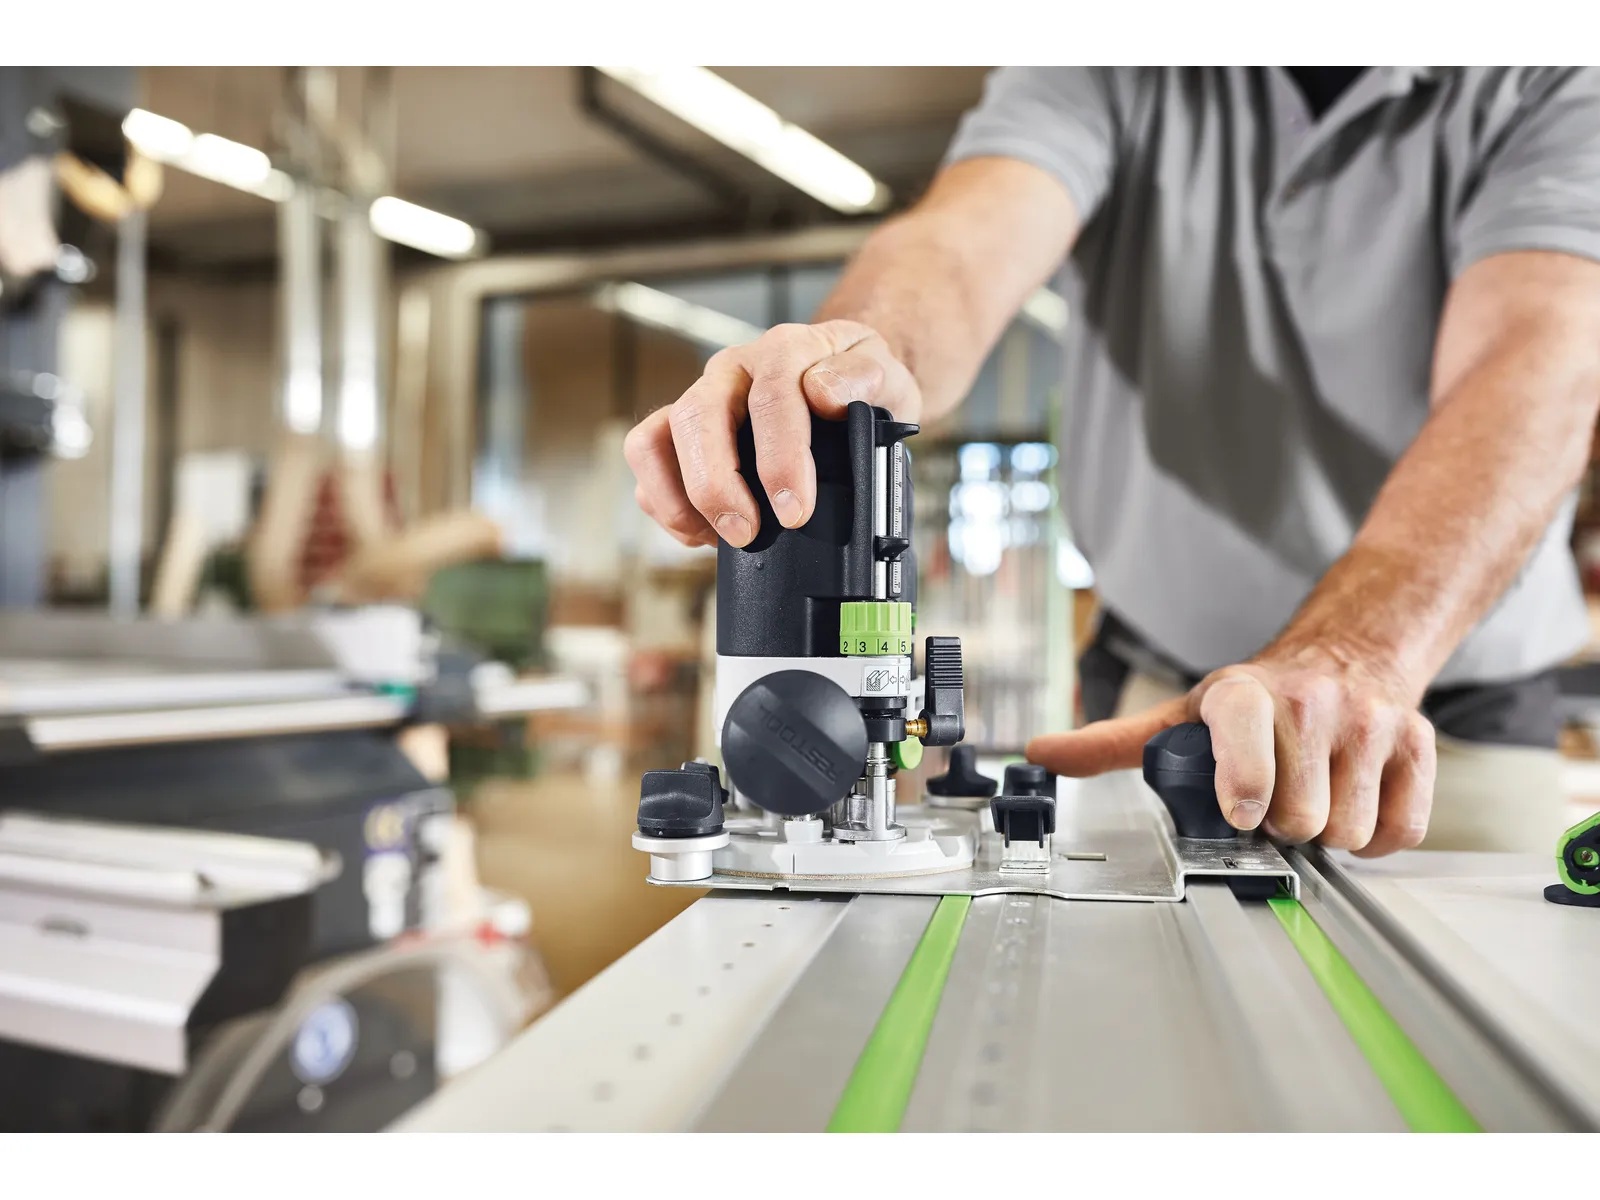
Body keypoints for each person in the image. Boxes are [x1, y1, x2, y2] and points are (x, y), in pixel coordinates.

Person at [623, 67, 1600, 856]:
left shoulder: (1560, 65)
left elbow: (1538, 365)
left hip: (1437, 713)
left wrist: (1357, 655)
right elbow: (960, 247)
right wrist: (856, 358)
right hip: (1161, 708)